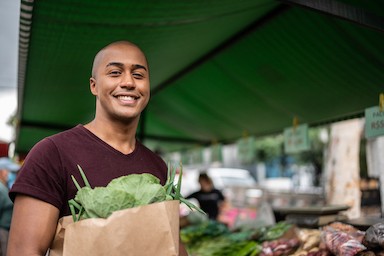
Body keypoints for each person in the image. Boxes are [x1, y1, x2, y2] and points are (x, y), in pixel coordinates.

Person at [7, 41, 188, 256]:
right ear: (94, 85)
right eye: (115, 72)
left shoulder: (158, 168)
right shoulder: (52, 153)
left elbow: (171, 244)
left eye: (138, 75)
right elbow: (24, 250)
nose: (128, 82)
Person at [0, 157, 20, 256]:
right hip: (3, 232)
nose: (10, 174)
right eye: (8, 171)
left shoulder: (4, 187)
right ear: (1, 171)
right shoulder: (0, 189)